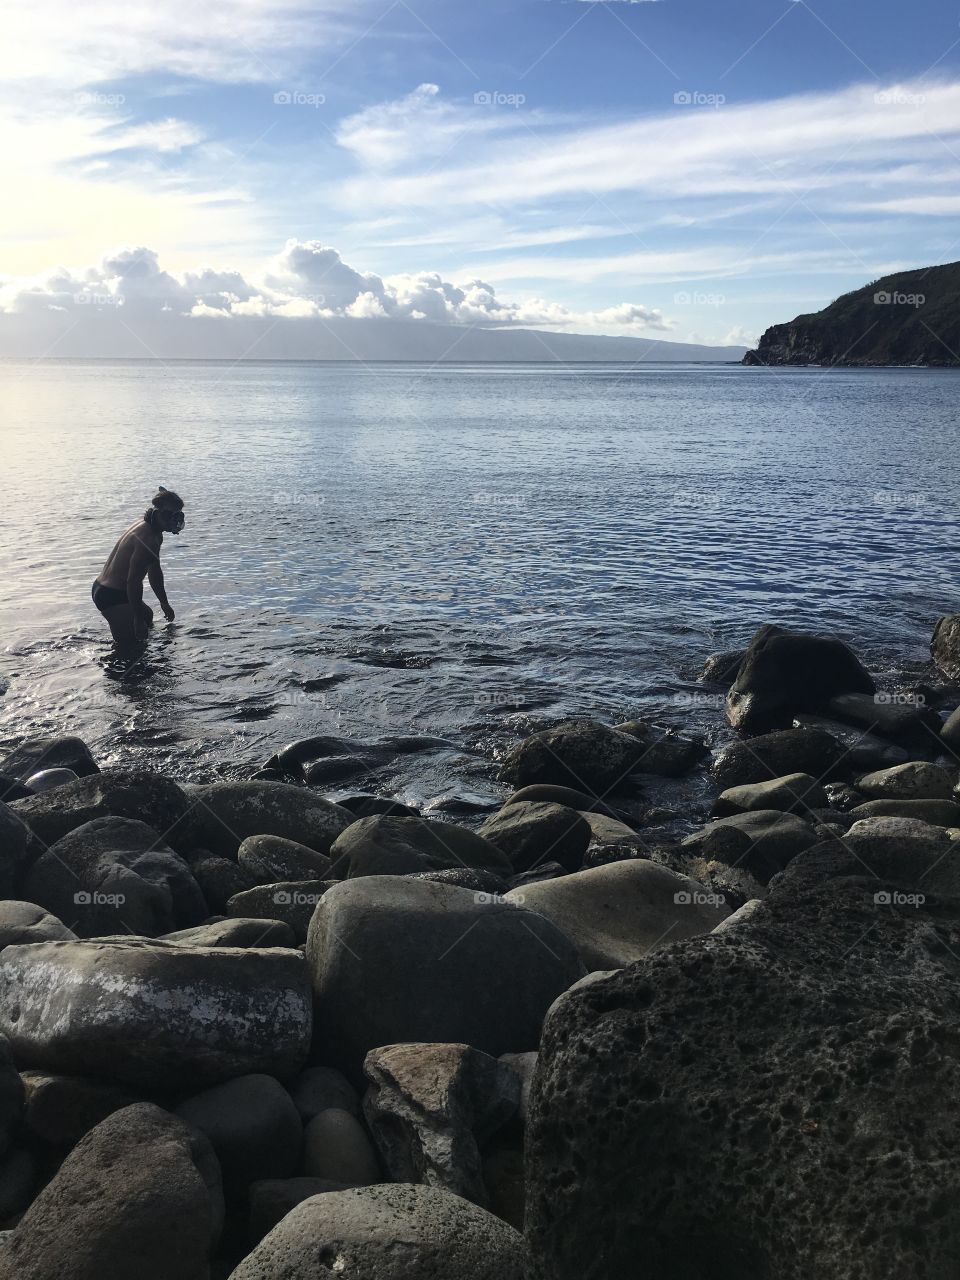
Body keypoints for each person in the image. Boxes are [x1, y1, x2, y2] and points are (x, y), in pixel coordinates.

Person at [91, 488, 185, 644]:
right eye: (169, 516)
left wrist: (164, 602)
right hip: (112, 595)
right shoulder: (148, 539)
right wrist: (137, 619)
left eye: (178, 515)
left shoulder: (152, 529)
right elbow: (134, 582)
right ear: (158, 512)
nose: (174, 521)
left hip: (107, 587)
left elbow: (154, 570)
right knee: (132, 648)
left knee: (147, 616)